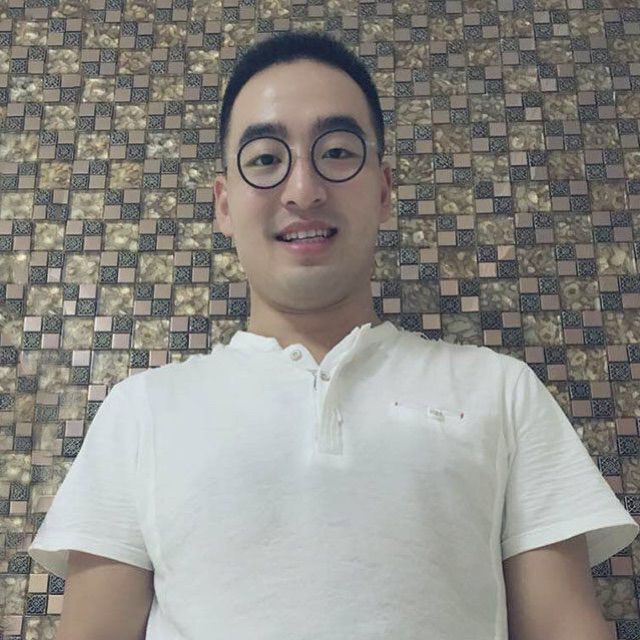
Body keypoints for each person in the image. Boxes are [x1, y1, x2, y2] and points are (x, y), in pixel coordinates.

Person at [28, 31, 638, 639]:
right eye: (265, 159)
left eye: (338, 152)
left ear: (383, 190)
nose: (303, 190)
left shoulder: (501, 391)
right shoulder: (140, 412)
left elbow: (565, 627)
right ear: (224, 204)